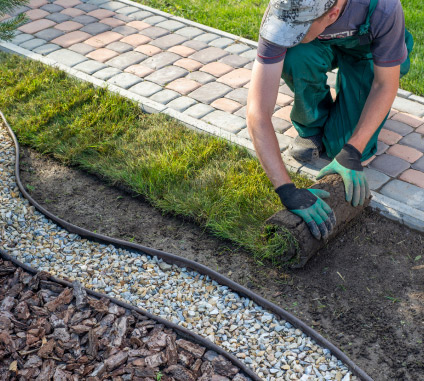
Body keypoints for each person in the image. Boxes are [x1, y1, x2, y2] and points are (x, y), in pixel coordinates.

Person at [246, 0, 413, 240]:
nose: (286, 33)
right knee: (295, 54)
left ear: (333, 13)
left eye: (297, 29)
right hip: (317, 45)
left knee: (343, 148)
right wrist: (286, 189)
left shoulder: (384, 7)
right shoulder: (285, 11)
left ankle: (351, 92)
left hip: (366, 51)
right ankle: (311, 126)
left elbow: (385, 84)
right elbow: (257, 111)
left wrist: (352, 151)